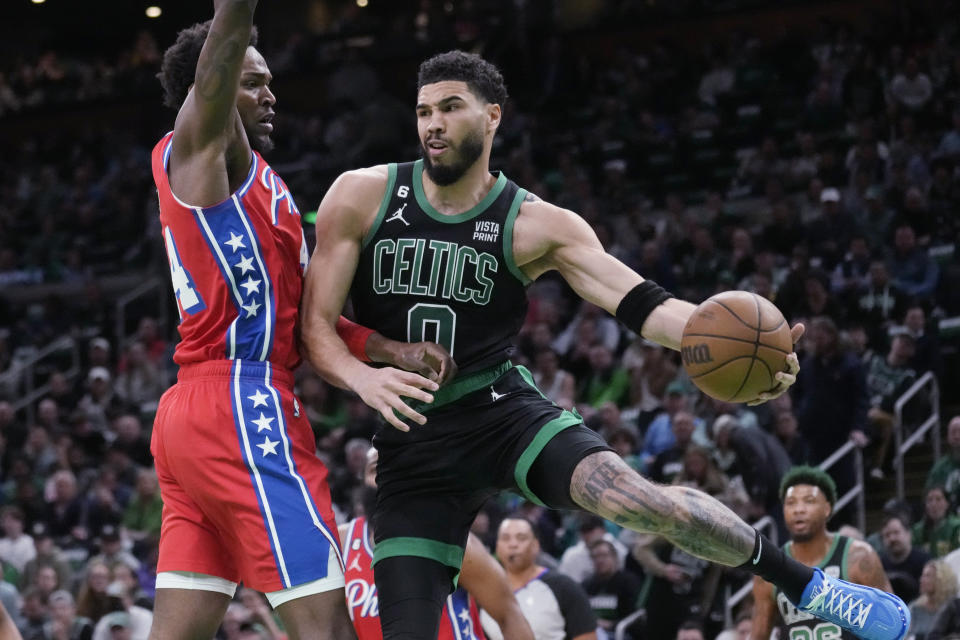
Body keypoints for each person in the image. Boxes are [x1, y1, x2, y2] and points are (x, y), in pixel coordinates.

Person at [299, 50, 909, 640]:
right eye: (423, 111)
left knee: (641, 501)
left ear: (492, 117)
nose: (432, 124)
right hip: (412, 444)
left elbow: (646, 307)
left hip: (500, 415)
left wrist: (748, 343)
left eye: (450, 108)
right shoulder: (362, 195)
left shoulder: (537, 222)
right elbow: (316, 326)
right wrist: (364, 378)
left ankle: (808, 586)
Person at [149, 3, 454, 640]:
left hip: (196, 414)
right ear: (216, 83)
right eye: (253, 80)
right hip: (241, 402)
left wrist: (388, 349)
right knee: (328, 629)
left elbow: (305, 322)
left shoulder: (269, 187)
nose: (270, 93)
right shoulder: (202, 153)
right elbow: (217, 66)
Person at [338, 449, 532, 640]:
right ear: (362, 481)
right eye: (375, 470)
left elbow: (509, 614)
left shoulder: (447, 533)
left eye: (394, 468)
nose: (385, 477)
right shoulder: (344, 541)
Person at [752, 466, 894, 640]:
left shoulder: (859, 556)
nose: (799, 509)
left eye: (808, 501)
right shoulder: (770, 569)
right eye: (791, 503)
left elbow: (892, 624)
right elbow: (759, 636)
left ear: (827, 508)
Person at [481, 516, 596, 640]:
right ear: (497, 546)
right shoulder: (484, 591)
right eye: (505, 538)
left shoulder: (564, 587)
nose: (513, 544)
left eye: (521, 538)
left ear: (536, 545)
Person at [879, 514, 931, 604]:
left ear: (908, 534)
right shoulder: (879, 564)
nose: (892, 538)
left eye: (896, 532)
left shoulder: (925, 561)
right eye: (887, 535)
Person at [907, 560, 957, 640]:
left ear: (941, 579)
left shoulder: (953, 609)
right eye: (922, 575)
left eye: (927, 576)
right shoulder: (915, 608)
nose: (921, 580)